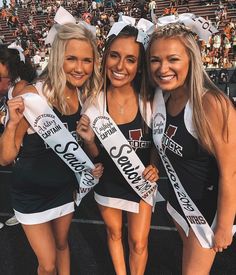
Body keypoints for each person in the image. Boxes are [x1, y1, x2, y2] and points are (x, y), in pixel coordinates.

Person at [0, 22, 103, 275]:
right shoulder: (34, 97)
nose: (80, 68)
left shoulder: (81, 96)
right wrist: (12, 125)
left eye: (87, 60)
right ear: (58, 58)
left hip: (63, 190)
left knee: (62, 245)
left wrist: (91, 165)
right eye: (71, 58)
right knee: (47, 265)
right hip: (31, 195)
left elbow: (76, 146)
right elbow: (5, 158)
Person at [147, 23, 236, 275]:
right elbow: (161, 145)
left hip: (205, 212)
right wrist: (154, 163)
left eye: (173, 59)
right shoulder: (162, 99)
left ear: (191, 60)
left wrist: (224, 226)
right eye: (155, 60)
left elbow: (231, 173)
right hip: (177, 204)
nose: (163, 68)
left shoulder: (212, 104)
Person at [77, 21, 159, 275]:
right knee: (114, 234)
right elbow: (97, 158)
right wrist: (89, 141)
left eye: (130, 59)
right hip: (109, 182)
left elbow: (158, 145)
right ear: (105, 58)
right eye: (114, 55)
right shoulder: (94, 103)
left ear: (140, 65)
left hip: (141, 182)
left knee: (138, 242)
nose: (120, 66)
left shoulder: (152, 101)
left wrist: (155, 165)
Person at [0, 44, 37, 228]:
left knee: (23, 178)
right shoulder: (13, 85)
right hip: (19, 141)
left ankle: (26, 212)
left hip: (24, 142)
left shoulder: (20, 87)